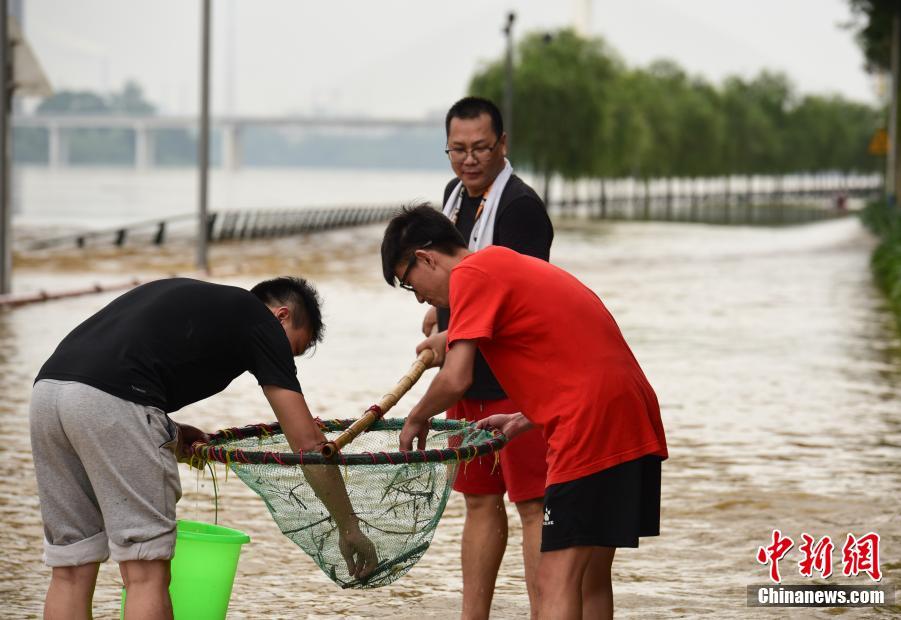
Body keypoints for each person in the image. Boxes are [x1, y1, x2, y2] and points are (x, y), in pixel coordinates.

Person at [30, 276, 377, 619]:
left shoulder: (201, 302)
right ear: (281, 316)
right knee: (144, 572)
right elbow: (309, 446)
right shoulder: (261, 322)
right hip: (113, 401)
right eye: (290, 351)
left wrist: (171, 432)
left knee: (71, 569)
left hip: (48, 395)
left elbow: (112, 375)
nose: (285, 364)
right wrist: (349, 527)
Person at [381, 206, 667, 619]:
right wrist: (524, 418)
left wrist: (417, 416)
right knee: (590, 580)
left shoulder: (471, 274)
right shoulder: (503, 266)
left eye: (412, 285)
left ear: (425, 258)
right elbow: (574, 357)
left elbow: (457, 377)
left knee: (555, 579)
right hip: (631, 414)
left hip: (590, 426)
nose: (422, 298)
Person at [418, 96, 553, 620]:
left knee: (532, 505)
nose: (468, 160)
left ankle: (549, 611)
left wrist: (451, 340)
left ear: (503, 145)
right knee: (477, 500)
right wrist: (440, 315)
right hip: (466, 378)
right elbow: (455, 280)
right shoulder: (453, 196)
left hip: (516, 379)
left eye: (480, 148)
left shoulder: (521, 208)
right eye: (457, 149)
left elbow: (519, 301)